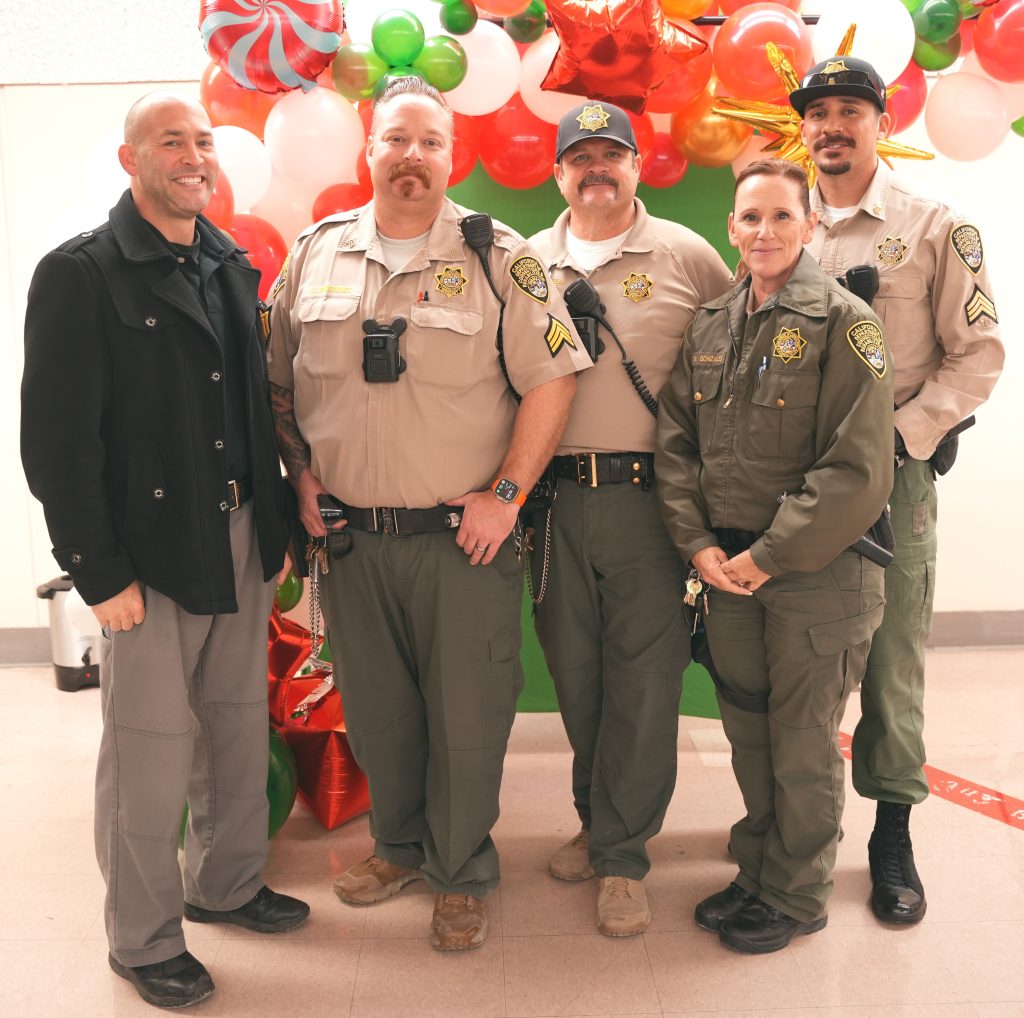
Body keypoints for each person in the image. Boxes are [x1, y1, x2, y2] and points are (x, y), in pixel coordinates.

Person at [266, 77, 591, 952]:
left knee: (467, 719)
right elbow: (277, 383)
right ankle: (399, 849)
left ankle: (461, 872)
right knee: (379, 715)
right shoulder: (315, 253)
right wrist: (299, 476)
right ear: (369, 148)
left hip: (461, 545)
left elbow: (555, 380)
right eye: (397, 139)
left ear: (453, 155)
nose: (412, 156)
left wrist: (507, 496)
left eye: (430, 142)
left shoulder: (498, 256)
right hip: (350, 542)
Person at [21, 94, 308, 1009]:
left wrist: (275, 531)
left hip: (239, 535)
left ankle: (225, 885)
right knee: (148, 751)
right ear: (131, 159)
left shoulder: (227, 262)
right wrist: (98, 572)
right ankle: (142, 941)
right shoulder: (80, 274)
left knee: (235, 724)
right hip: (147, 554)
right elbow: (57, 444)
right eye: (171, 141)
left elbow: (254, 414)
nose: (193, 156)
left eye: (203, 142)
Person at [656, 158, 895, 954]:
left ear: (810, 225)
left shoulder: (846, 322)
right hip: (726, 574)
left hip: (816, 574)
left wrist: (768, 554)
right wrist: (696, 543)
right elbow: (676, 444)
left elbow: (858, 468)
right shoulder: (711, 323)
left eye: (782, 216)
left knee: (801, 740)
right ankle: (759, 869)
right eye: (751, 217)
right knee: (751, 733)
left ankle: (797, 892)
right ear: (731, 227)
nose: (764, 231)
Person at [791, 57, 1005, 924]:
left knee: (890, 664)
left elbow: (979, 354)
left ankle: (892, 836)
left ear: (882, 122)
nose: (832, 126)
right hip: (798, 485)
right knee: (801, 659)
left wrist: (902, 438)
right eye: (818, 113)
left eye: (850, 110)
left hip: (892, 483)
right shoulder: (782, 222)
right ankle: (795, 829)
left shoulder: (933, 226)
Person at [527, 101, 732, 936]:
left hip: (651, 503)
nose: (597, 169)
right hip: (552, 505)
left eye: (612, 154)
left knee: (644, 683)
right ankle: (596, 819)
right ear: (559, 174)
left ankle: (623, 856)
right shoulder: (524, 261)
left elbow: (734, 363)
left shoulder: (686, 255)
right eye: (581, 158)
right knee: (577, 676)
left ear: (638, 167)